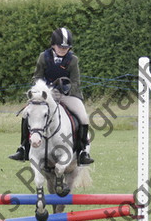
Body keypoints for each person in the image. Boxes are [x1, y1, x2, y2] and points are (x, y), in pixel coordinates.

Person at [8, 27, 94, 165]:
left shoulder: (73, 60)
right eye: (60, 46)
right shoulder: (44, 57)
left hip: (68, 95)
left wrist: (64, 89)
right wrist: (45, 90)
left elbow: (76, 82)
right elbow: (37, 76)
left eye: (66, 47)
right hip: (46, 95)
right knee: (25, 114)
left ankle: (83, 151)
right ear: (53, 45)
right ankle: (23, 147)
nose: (63, 49)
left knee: (83, 118)